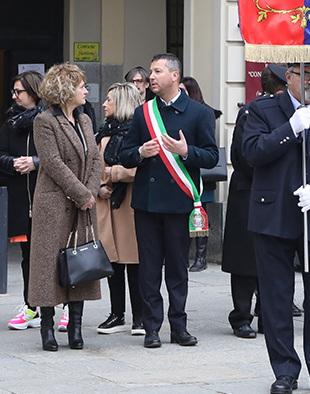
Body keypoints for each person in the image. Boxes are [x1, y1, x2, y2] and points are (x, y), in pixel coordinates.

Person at [244, 62, 310, 394]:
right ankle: (285, 370)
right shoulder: (262, 110)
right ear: (288, 77)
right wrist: (290, 128)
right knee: (277, 297)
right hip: (273, 216)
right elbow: (251, 153)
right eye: (306, 75)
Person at [117, 53, 220, 348]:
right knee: (148, 269)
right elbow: (124, 154)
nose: (151, 77)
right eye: (151, 71)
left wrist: (187, 152)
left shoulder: (199, 113)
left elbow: (212, 156)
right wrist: (140, 152)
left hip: (179, 203)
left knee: (177, 268)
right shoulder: (143, 113)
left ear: (174, 76)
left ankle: (179, 327)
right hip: (147, 204)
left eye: (157, 71)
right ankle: (151, 328)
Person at [27, 63, 103, 351]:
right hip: (55, 203)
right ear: (66, 90)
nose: (86, 90)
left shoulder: (85, 120)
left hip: (84, 203)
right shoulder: (44, 121)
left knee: (81, 263)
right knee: (49, 265)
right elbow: (52, 162)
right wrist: (81, 193)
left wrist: (90, 193)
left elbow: (95, 158)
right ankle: (48, 328)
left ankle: (76, 327)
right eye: (81, 85)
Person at [223, 64, 286, 338]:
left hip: (274, 194)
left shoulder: (287, 113)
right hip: (249, 193)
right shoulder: (252, 112)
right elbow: (244, 155)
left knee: (270, 258)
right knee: (244, 260)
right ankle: (241, 316)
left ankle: (265, 314)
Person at [0, 70, 45, 331]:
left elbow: (64, 157)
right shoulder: (11, 121)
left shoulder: (49, 119)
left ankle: (64, 307)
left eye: (18, 92)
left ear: (33, 92)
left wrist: (35, 163)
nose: (14, 96)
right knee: (28, 256)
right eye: (13, 92)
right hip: (21, 201)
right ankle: (31, 305)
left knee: (54, 255)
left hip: (47, 199)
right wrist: (13, 163)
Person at [95, 82, 144, 336]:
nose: (104, 104)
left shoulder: (138, 131)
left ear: (123, 103)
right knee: (112, 261)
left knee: (133, 261)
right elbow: (93, 167)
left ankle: (140, 317)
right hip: (107, 204)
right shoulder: (104, 132)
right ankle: (117, 314)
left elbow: (139, 168)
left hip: (130, 204)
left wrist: (110, 174)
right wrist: (98, 186)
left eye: (110, 100)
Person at [181, 75, 224, 273]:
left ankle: (201, 256)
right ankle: (186, 254)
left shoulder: (203, 112)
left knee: (200, 215)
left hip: (201, 175)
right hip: (182, 173)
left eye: (183, 90)